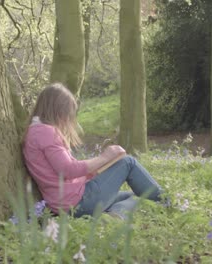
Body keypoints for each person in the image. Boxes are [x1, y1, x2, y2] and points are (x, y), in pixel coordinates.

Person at [22, 83, 164, 219]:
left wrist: (93, 172)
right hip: (78, 202)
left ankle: (114, 217)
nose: (67, 120)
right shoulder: (46, 132)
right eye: (67, 114)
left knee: (133, 196)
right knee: (128, 162)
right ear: (57, 111)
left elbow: (59, 172)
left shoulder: (35, 132)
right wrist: (105, 157)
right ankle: (167, 203)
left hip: (67, 202)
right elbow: (68, 170)